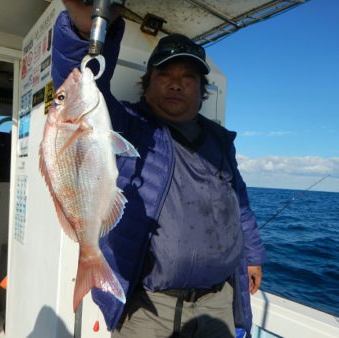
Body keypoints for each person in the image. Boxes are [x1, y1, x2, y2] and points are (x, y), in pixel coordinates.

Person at [52, 1, 267, 337]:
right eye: (164, 74)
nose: (175, 83)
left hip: (218, 303)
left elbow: (239, 204)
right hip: (147, 308)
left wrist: (253, 255)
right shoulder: (129, 125)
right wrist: (85, 32)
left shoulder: (220, 142)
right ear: (147, 84)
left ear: (202, 90)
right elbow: (79, 81)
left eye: (188, 77)